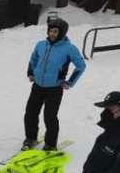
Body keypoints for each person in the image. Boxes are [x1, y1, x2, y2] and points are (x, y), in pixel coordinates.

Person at [23, 17, 86, 150]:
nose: (52, 34)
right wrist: (31, 73)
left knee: (50, 117)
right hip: (37, 86)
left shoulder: (69, 49)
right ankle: (30, 138)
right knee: (30, 113)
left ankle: (50, 144)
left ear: (62, 33)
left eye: (55, 31)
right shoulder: (41, 44)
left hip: (54, 88)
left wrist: (70, 82)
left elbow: (81, 66)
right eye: (50, 31)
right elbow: (33, 59)